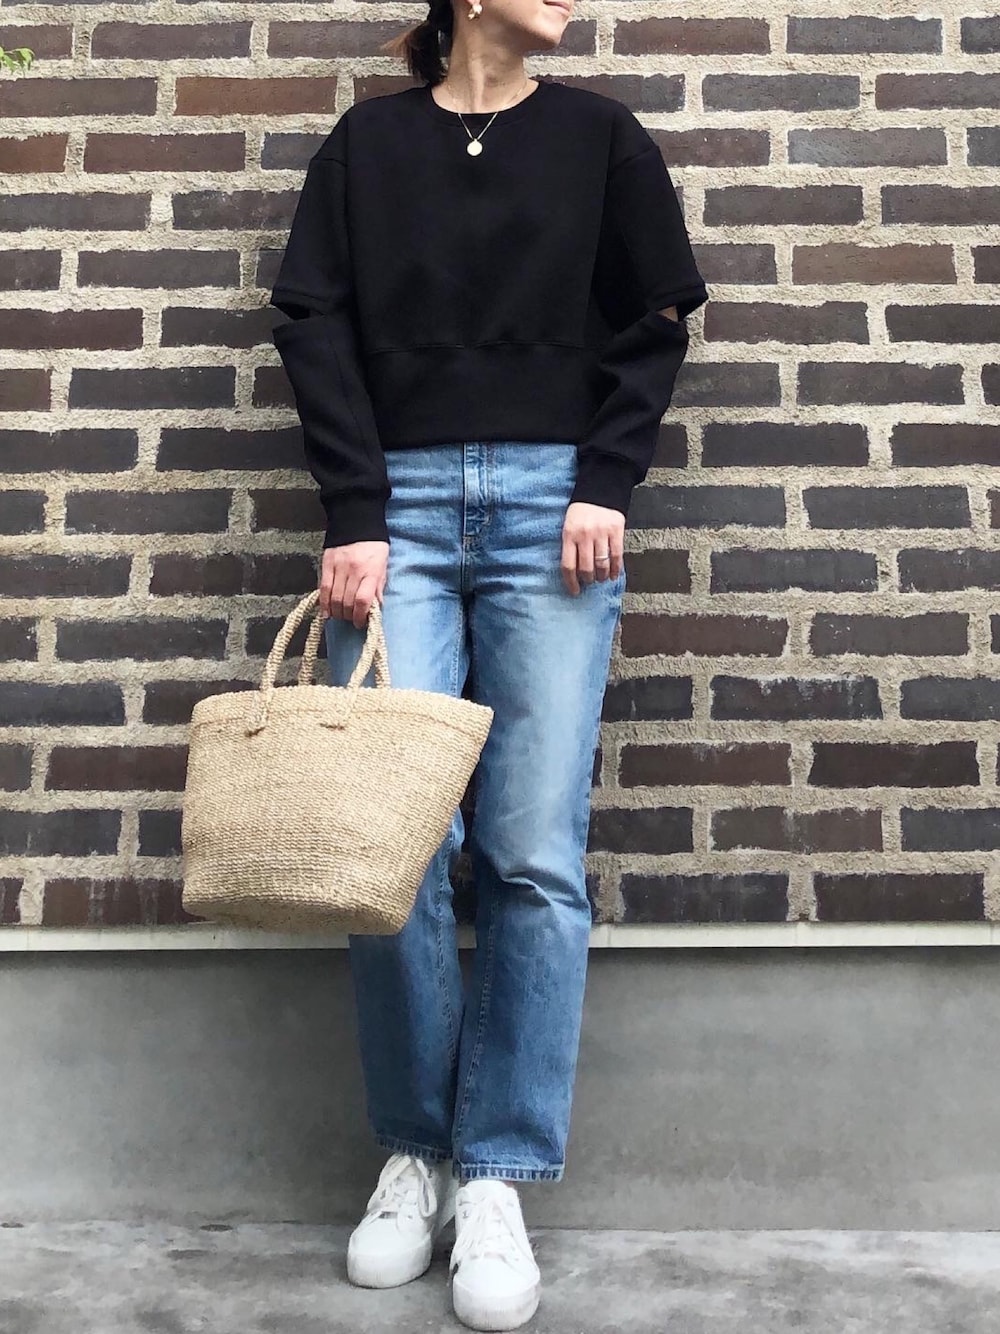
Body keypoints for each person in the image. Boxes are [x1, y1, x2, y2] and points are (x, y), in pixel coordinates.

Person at [269, 0, 708, 1323]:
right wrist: (354, 509)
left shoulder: (601, 139)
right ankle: (415, 1153)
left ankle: (500, 1172)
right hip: (393, 514)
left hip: (554, 516)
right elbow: (311, 317)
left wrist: (605, 476)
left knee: (532, 853)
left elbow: (660, 311)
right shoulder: (367, 148)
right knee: (391, 847)